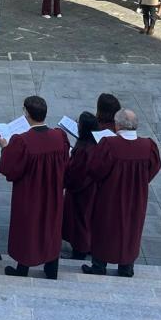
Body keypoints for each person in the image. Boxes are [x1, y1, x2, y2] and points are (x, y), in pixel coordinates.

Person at [82, 109, 161, 277]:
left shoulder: (109, 145)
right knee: (131, 229)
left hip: (109, 197)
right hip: (136, 197)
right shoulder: (148, 146)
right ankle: (126, 267)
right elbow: (153, 169)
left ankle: (99, 266)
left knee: (105, 228)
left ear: (117, 126)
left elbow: (95, 169)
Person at [0, 95, 69, 280]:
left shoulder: (21, 141)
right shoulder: (59, 136)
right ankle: (51, 269)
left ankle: (22, 270)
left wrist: (5, 148)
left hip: (30, 194)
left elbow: (8, 168)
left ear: (26, 114)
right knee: (51, 227)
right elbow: (65, 162)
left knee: (28, 229)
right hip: (53, 192)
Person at [61, 111, 99, 260]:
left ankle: (80, 252)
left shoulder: (84, 150)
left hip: (81, 192)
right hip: (92, 188)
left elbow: (76, 174)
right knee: (87, 219)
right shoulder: (96, 143)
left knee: (80, 221)